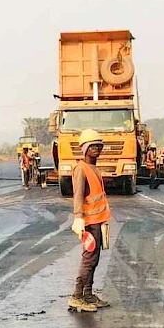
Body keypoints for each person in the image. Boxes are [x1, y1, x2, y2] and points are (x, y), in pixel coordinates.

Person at [69, 129, 112, 312]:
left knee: (94, 260)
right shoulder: (81, 169)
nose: (97, 148)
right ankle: (77, 296)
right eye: (93, 145)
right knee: (89, 259)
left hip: (98, 221)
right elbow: (78, 195)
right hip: (88, 222)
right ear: (84, 148)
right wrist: (78, 217)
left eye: (99, 145)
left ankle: (88, 294)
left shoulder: (94, 168)